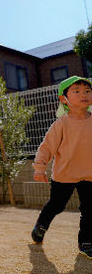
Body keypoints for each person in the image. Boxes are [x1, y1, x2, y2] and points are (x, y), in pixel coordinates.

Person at [31, 76, 92, 260]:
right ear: (63, 99)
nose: (84, 95)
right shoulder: (61, 124)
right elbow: (47, 148)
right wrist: (40, 168)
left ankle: (86, 242)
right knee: (57, 205)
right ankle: (41, 225)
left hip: (89, 174)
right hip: (64, 175)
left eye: (87, 91)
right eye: (77, 91)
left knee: (90, 209)